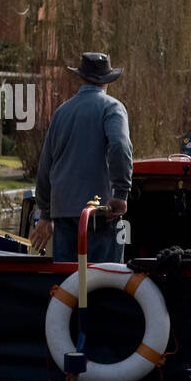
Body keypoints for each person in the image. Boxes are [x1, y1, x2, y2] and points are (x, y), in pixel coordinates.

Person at [29, 52, 132, 263]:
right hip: (99, 214)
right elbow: (120, 146)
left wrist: (46, 215)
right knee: (104, 282)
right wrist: (121, 193)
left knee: (68, 286)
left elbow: (45, 166)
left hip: (63, 214)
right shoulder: (112, 108)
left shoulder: (61, 112)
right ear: (108, 81)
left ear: (82, 77)